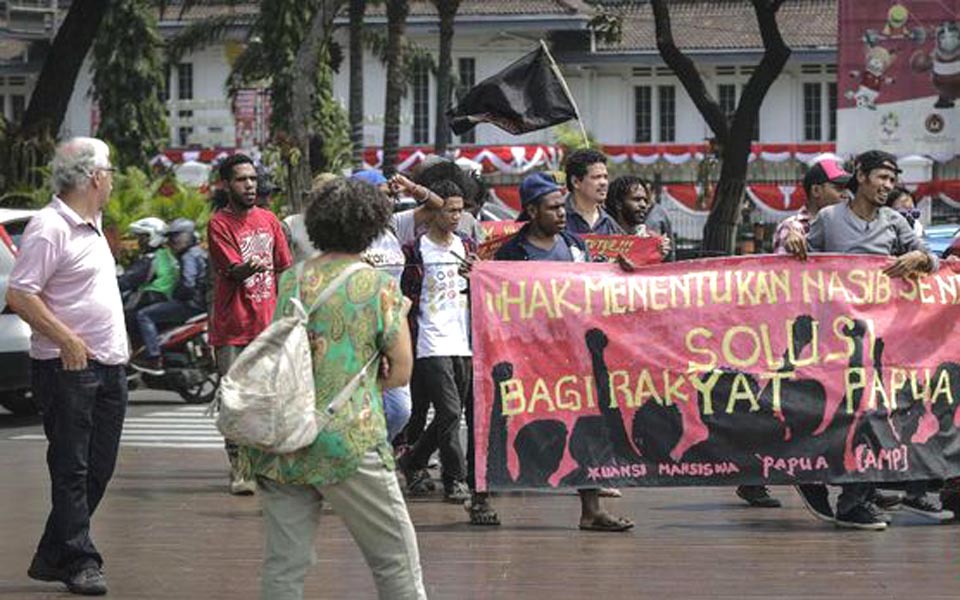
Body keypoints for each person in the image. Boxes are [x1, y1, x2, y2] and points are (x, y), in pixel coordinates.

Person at [243, 179, 426, 600]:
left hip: (285, 437)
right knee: (394, 558)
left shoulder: (291, 279)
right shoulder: (378, 286)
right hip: (349, 437)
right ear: (371, 225)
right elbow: (400, 371)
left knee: (284, 565)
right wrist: (366, 374)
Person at [786, 149, 944, 530]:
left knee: (874, 415)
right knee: (841, 415)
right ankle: (820, 482)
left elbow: (932, 258)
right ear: (860, 175)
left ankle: (855, 500)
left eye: (892, 181)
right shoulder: (828, 219)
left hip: (882, 342)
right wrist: (793, 235)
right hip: (834, 342)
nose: (887, 187)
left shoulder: (894, 222)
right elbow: (793, 260)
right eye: (882, 178)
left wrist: (921, 261)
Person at [6, 137, 127, 595]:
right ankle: (79, 559)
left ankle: (53, 553)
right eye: (110, 172)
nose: (113, 180)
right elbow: (19, 293)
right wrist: (66, 338)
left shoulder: (92, 224)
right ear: (95, 177)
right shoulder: (49, 226)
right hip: (68, 369)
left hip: (109, 366)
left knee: (99, 467)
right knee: (72, 468)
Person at [491, 171, 635, 532]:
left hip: (570, 354)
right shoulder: (512, 253)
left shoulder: (574, 246)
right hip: (527, 354)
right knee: (506, 422)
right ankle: (484, 494)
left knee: (587, 423)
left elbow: (594, 287)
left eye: (561, 207)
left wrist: (621, 273)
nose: (561, 214)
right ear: (531, 210)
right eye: (553, 208)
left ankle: (591, 509)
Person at [208, 153, 293, 495]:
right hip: (233, 327)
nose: (250, 185)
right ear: (227, 184)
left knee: (269, 398)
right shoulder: (219, 224)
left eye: (253, 179)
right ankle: (239, 467)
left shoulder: (270, 220)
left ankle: (266, 464)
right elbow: (233, 268)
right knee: (235, 399)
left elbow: (284, 266)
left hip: (268, 324)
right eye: (242, 179)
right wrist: (252, 266)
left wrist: (288, 308)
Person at [398, 179, 477, 505]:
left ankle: (414, 460)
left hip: (463, 341)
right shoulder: (415, 251)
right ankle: (455, 478)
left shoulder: (468, 247)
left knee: (451, 413)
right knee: (447, 411)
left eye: (460, 210)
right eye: (449, 210)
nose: (456, 216)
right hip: (430, 342)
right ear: (433, 212)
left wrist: (477, 278)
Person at [130, 218, 208, 375]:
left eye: (179, 237)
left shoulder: (188, 256)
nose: (174, 241)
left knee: (143, 315)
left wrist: (178, 297)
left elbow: (188, 283)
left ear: (189, 236)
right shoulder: (199, 253)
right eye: (173, 237)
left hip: (192, 304)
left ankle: (153, 358)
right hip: (202, 303)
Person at [118, 217, 178, 311]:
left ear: (153, 236)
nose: (139, 242)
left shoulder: (150, 259)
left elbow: (128, 279)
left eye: (142, 237)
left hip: (153, 296)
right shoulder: (167, 254)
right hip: (166, 298)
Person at [605, 175, 671, 258]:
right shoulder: (603, 237)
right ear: (618, 203)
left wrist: (658, 254)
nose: (643, 205)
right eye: (637, 199)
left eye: (645, 200)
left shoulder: (652, 239)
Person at [563, 148, 623, 235]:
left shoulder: (609, 224)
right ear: (576, 182)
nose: (603, 183)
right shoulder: (557, 217)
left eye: (605, 177)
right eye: (596, 177)